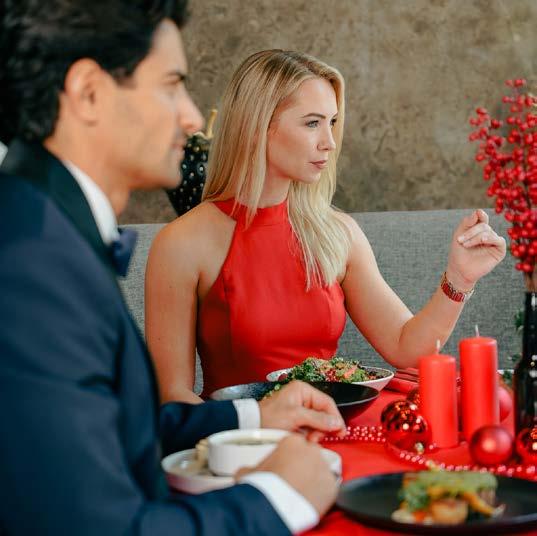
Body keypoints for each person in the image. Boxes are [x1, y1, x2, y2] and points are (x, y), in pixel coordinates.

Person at [0, 3, 347, 535]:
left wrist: (254, 415)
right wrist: (279, 499)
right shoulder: (31, 263)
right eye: (171, 86)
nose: (191, 117)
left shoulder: (43, 224)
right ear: (89, 93)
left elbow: (113, 427)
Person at [145, 49, 507, 403]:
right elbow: (171, 396)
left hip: (334, 427)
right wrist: (258, 427)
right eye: (312, 123)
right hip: (244, 436)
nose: (330, 143)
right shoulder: (181, 243)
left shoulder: (338, 233)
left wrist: (460, 279)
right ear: (257, 128)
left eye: (331, 122)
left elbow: (406, 348)